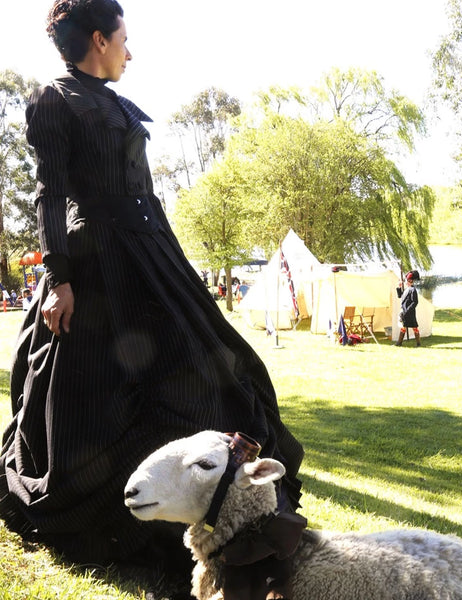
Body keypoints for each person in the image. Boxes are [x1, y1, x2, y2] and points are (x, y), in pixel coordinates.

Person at [0, 2, 304, 597]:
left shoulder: (111, 101)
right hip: (99, 266)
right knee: (109, 392)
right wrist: (59, 278)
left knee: (217, 369)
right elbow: (50, 193)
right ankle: (141, 523)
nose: (130, 52)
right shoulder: (53, 101)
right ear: (98, 39)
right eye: (124, 39)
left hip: (153, 259)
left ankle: (231, 507)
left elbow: (144, 193)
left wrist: (176, 267)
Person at [396, 272, 420, 347]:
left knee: (414, 327)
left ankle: (418, 343)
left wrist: (407, 311)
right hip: (404, 312)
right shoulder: (407, 289)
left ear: (409, 280)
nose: (404, 282)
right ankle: (399, 343)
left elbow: (415, 302)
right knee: (403, 327)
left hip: (410, 312)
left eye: (406, 280)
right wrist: (399, 287)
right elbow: (400, 296)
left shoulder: (413, 290)